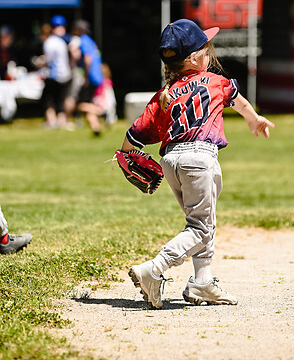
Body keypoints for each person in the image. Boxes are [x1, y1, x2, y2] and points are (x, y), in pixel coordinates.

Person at [121, 19, 274, 309]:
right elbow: (238, 101)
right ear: (193, 58)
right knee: (201, 228)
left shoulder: (164, 95)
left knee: (204, 222)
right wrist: (254, 120)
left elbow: (133, 137)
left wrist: (127, 155)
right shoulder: (216, 81)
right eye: (206, 49)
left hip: (172, 161)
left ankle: (202, 282)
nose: (209, 53)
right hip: (200, 159)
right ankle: (154, 269)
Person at [70, 19, 104, 136]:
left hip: (92, 77)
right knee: (88, 102)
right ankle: (96, 128)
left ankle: (100, 111)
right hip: (98, 76)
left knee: (80, 104)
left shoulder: (83, 41)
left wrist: (85, 75)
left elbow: (87, 59)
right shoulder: (91, 41)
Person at [39, 18, 72, 129]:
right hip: (65, 74)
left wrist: (40, 63)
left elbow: (48, 60)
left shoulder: (50, 42)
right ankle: (62, 122)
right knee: (61, 100)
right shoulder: (63, 41)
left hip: (55, 75)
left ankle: (51, 121)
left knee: (49, 99)